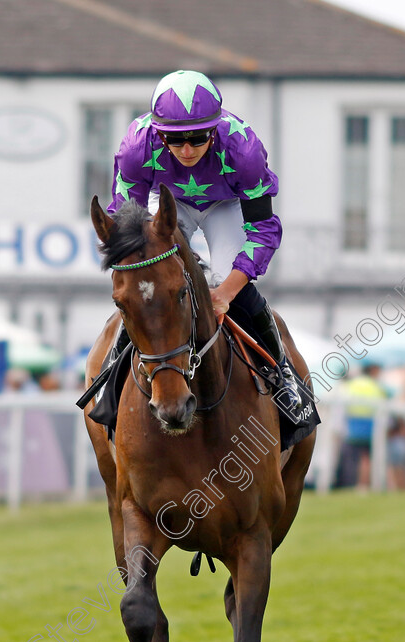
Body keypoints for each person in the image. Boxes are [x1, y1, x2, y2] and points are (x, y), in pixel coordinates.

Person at [107, 69, 301, 411]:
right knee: (145, 286)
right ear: (158, 134)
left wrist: (225, 293)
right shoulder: (136, 148)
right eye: (174, 140)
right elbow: (126, 225)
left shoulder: (244, 149)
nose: (185, 149)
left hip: (225, 205)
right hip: (167, 201)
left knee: (235, 290)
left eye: (198, 138)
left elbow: (264, 231)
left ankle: (282, 374)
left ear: (215, 129)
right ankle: (112, 372)